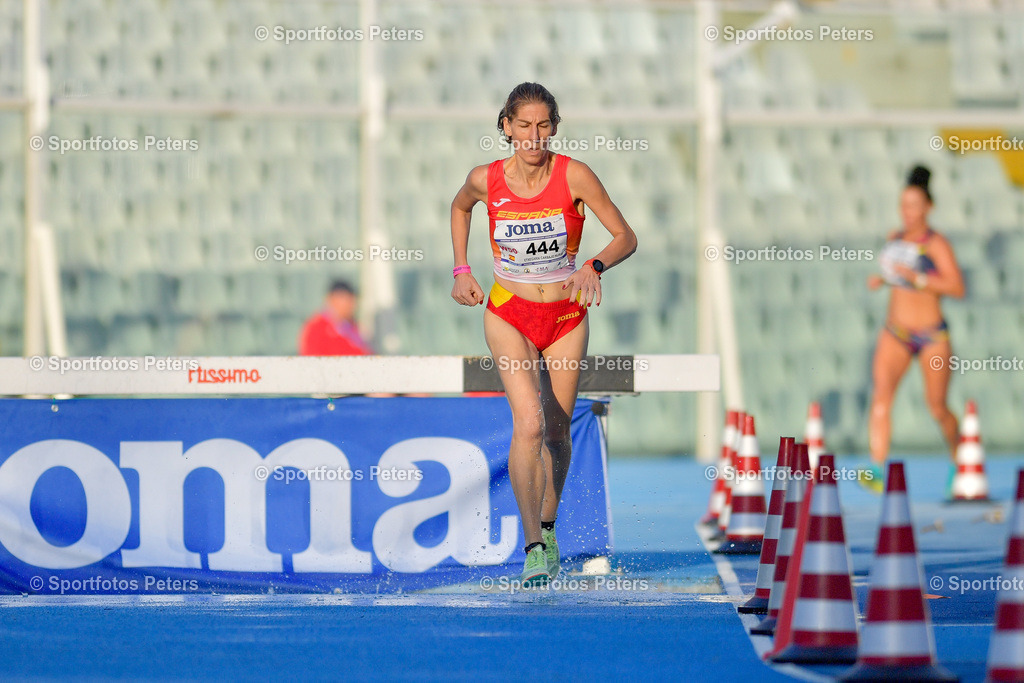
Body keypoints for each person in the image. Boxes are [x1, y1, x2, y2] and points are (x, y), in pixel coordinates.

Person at [449, 82, 637, 586]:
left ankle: (549, 527)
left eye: (543, 125)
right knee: (528, 423)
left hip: (564, 319)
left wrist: (594, 265)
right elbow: (460, 206)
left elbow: (626, 237)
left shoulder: (574, 175)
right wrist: (461, 269)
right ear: (506, 127)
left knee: (557, 431)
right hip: (508, 313)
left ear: (554, 126)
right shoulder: (486, 179)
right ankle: (532, 544)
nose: (533, 135)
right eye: (523, 125)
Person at [864, 165, 965, 493]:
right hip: (896, 331)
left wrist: (918, 278)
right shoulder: (894, 237)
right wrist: (883, 281)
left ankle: (960, 459)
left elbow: (956, 287)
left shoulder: (936, 244)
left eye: (913, 206)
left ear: (927, 208)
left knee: (937, 406)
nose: (907, 212)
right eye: (903, 205)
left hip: (932, 335)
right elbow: (898, 276)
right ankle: (876, 468)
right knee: (881, 397)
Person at [298, 280, 374, 356]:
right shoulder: (317, 328)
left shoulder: (352, 326)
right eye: (347, 300)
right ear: (332, 299)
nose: (352, 306)